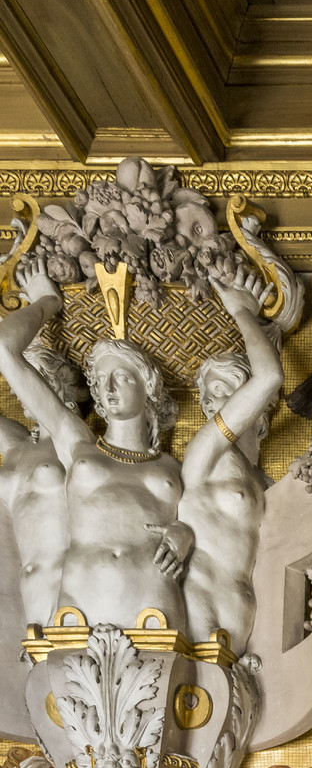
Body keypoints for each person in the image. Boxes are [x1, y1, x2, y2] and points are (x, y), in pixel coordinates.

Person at [0, 256, 191, 630]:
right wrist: (46, 302)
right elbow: (6, 350)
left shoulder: (175, 466)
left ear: (148, 388)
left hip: (155, 604)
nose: (109, 388)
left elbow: (208, 519)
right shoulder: (77, 444)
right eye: (101, 380)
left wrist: (185, 535)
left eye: (121, 377)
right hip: (78, 606)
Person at [179, 271, 283, 651]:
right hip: (200, 606)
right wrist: (242, 312)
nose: (209, 403)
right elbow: (269, 376)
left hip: (246, 619)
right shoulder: (205, 453)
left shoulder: (265, 482)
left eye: (223, 392)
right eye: (208, 396)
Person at [0, 341, 88, 627]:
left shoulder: (77, 443)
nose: (16, 390)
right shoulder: (17, 445)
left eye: (28, 378)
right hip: (21, 585)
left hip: (65, 585)